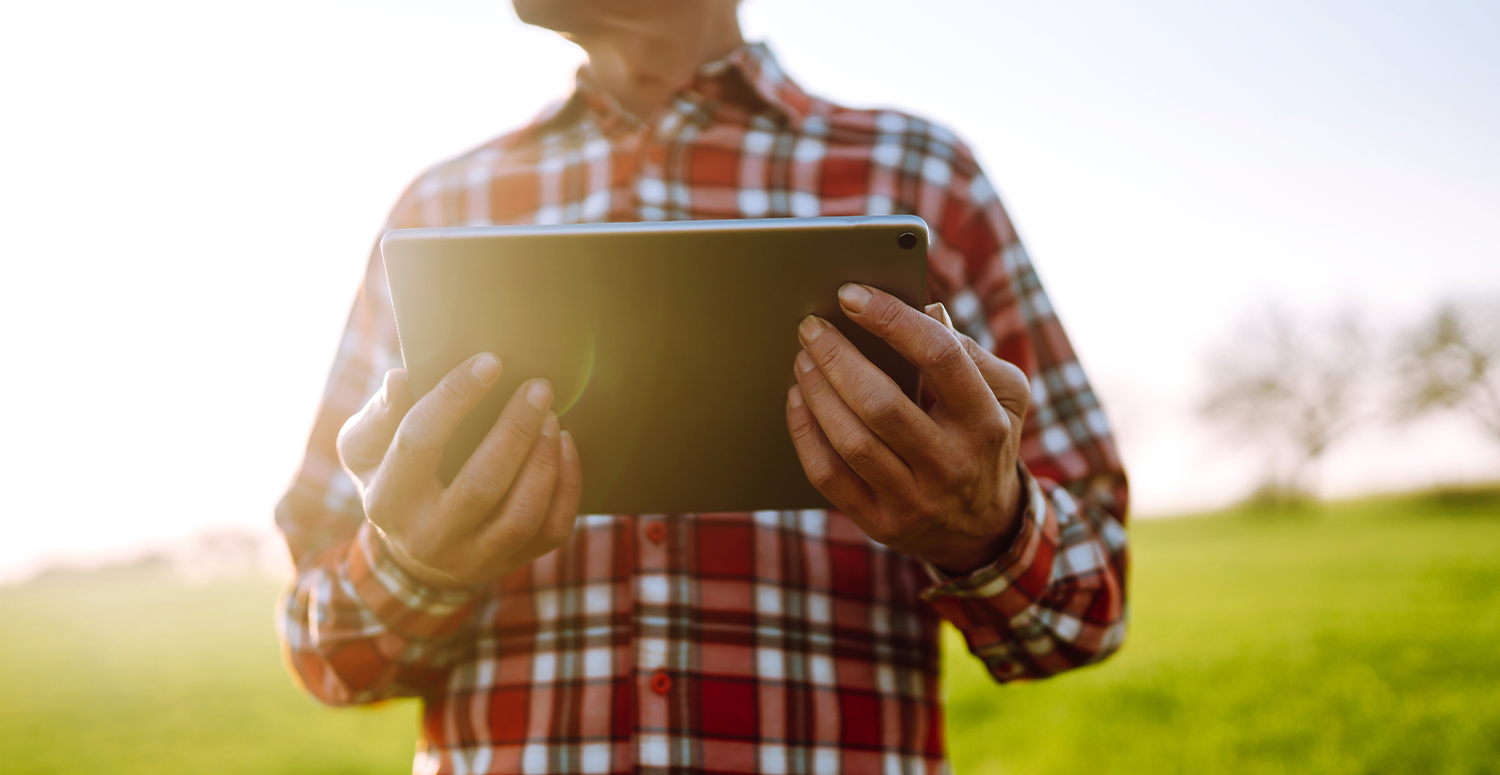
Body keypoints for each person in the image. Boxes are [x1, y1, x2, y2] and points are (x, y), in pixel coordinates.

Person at [275, 0, 1129, 772]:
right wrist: (411, 563)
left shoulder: (927, 179)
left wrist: (988, 526)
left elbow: (1092, 608)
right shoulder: (438, 210)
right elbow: (323, 652)